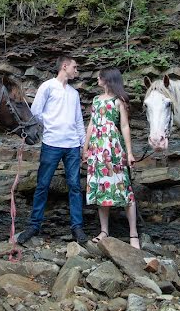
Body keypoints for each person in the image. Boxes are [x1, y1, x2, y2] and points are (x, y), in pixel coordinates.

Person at [16, 55, 88, 244]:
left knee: (74, 186)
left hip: (72, 145)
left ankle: (77, 227)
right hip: (52, 143)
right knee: (42, 185)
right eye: (75, 67)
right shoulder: (47, 86)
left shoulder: (74, 93)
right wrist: (51, 126)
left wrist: (83, 146)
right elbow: (36, 112)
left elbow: (79, 121)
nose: (76, 70)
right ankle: (34, 225)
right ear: (64, 66)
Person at [84, 67, 139, 248]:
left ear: (108, 79)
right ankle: (104, 231)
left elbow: (124, 126)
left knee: (124, 188)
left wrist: (129, 152)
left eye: (100, 76)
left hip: (113, 149)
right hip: (97, 149)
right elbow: (92, 125)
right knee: (101, 189)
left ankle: (133, 235)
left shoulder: (118, 100)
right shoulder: (96, 100)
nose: (98, 78)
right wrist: (85, 148)